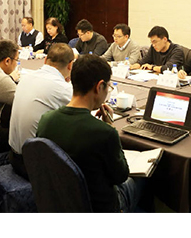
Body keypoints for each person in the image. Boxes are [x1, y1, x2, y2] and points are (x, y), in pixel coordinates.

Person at [37, 54, 144, 213]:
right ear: (99, 87)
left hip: (59, 200)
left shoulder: (45, 120)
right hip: (98, 207)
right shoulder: (104, 133)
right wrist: (110, 127)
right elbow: (120, 176)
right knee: (142, 180)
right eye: (108, 87)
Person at [8, 43, 74, 179]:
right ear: (70, 65)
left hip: (14, 157)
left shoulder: (25, 78)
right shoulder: (62, 88)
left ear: (45, 60)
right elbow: (86, 109)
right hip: (34, 168)